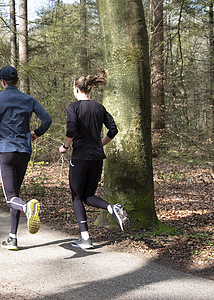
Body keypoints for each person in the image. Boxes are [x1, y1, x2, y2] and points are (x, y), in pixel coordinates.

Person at [0, 65, 52, 250]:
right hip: (23, 151)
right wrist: (36, 133)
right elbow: (47, 120)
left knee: (11, 198)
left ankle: (28, 208)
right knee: (15, 196)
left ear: (2, 82)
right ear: (17, 81)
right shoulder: (29, 99)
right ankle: (12, 237)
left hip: (5, 150)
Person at [59, 69, 129, 250]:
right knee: (87, 196)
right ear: (89, 89)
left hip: (80, 157)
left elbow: (71, 129)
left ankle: (85, 238)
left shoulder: (72, 108)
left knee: (76, 196)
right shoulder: (99, 107)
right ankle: (112, 208)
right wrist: (100, 144)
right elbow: (113, 130)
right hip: (97, 157)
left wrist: (65, 147)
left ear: (76, 89)